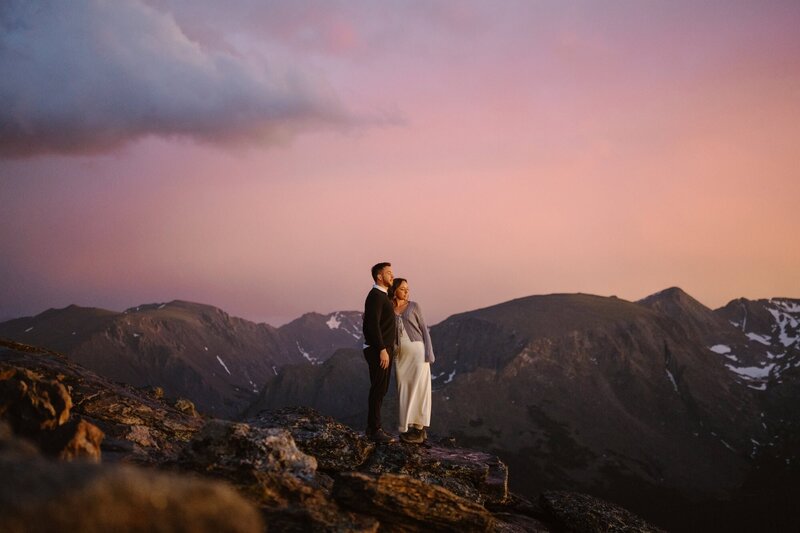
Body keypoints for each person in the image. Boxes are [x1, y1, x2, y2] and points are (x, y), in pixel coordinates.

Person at [388, 278, 434, 444]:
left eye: (408, 289)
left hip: (417, 352)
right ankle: (409, 427)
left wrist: (429, 352)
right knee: (404, 390)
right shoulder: (389, 307)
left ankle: (419, 429)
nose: (407, 292)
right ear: (394, 290)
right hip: (400, 356)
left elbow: (424, 329)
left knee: (419, 389)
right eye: (403, 289)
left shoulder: (414, 306)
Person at [362, 262, 397, 443]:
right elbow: (371, 325)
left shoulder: (383, 295)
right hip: (378, 350)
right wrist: (382, 349)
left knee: (381, 389)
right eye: (388, 273)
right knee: (378, 388)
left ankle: (373, 428)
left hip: (384, 349)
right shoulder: (375, 296)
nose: (392, 276)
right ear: (379, 276)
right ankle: (375, 430)